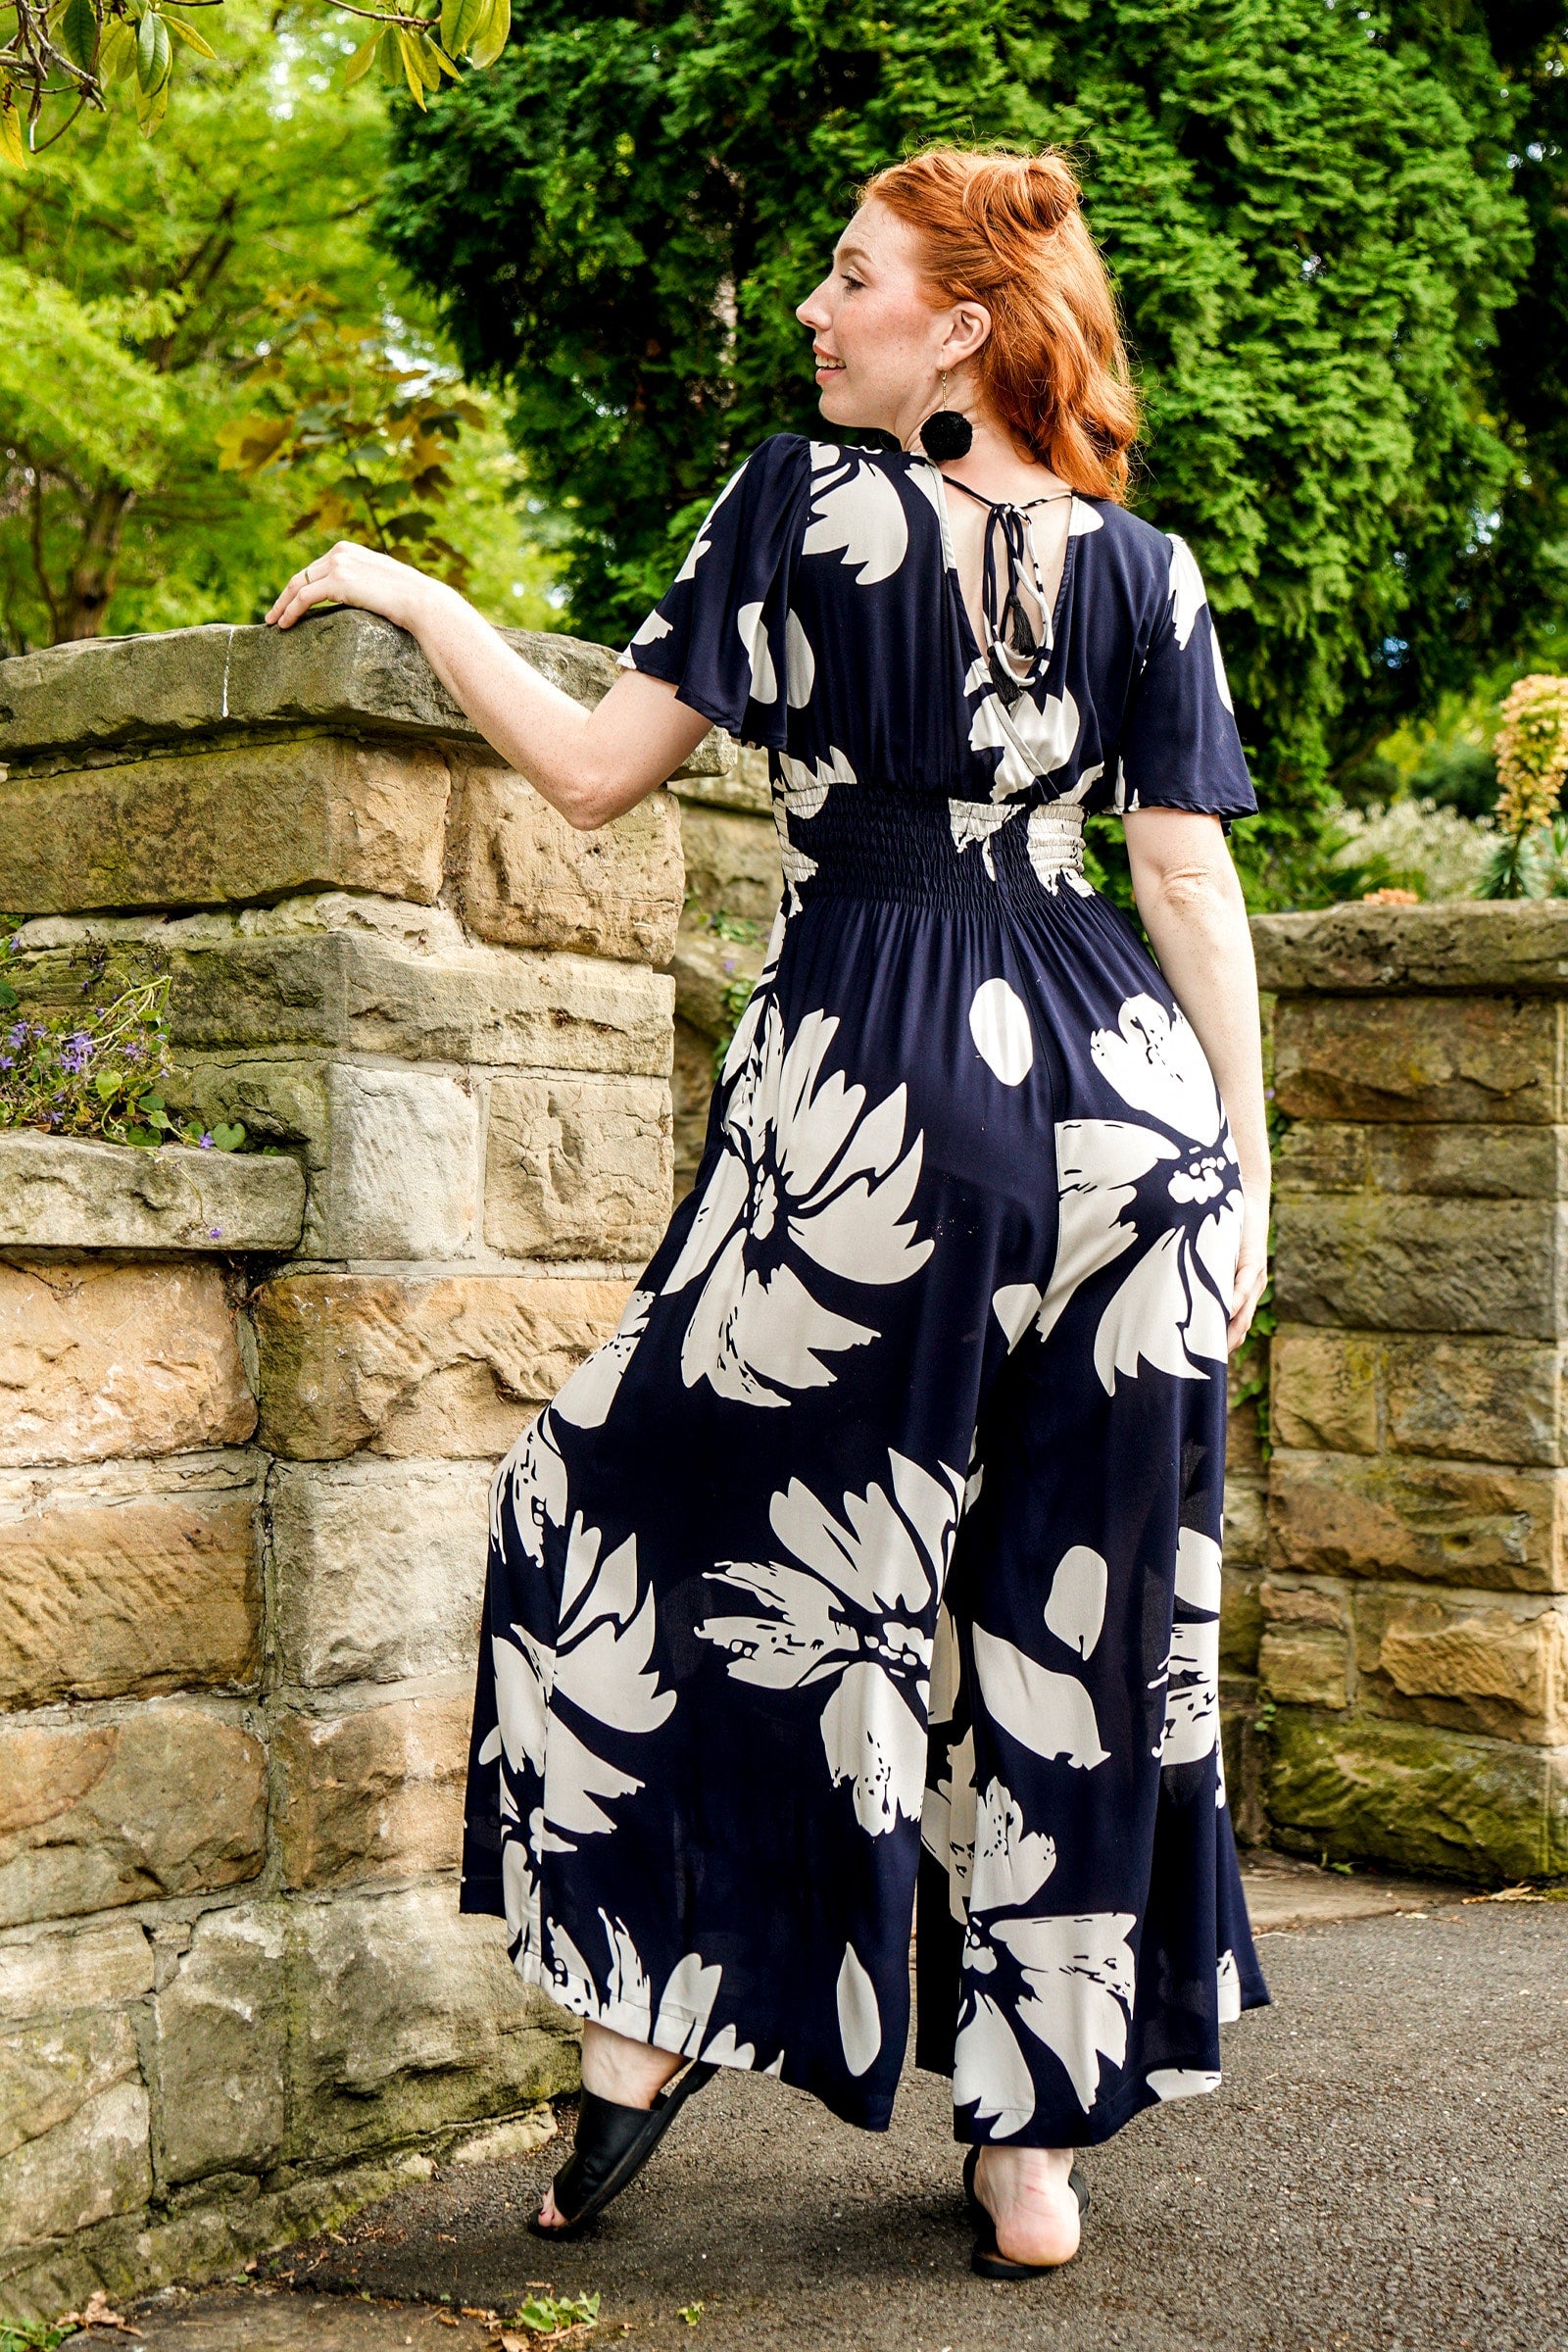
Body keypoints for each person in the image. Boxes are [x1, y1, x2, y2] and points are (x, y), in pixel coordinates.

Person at [267, 141, 1270, 2281]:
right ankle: (1032, 2154)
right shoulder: (1146, 570)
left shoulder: (799, 505)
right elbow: (1184, 879)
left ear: (962, 328)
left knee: (640, 1505)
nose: (818, 311)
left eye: (851, 275)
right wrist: (1247, 1178)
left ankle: (653, 2020)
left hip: (880, 1088)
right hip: (1132, 1112)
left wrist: (411, 592)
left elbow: (588, 771)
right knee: (1076, 1619)